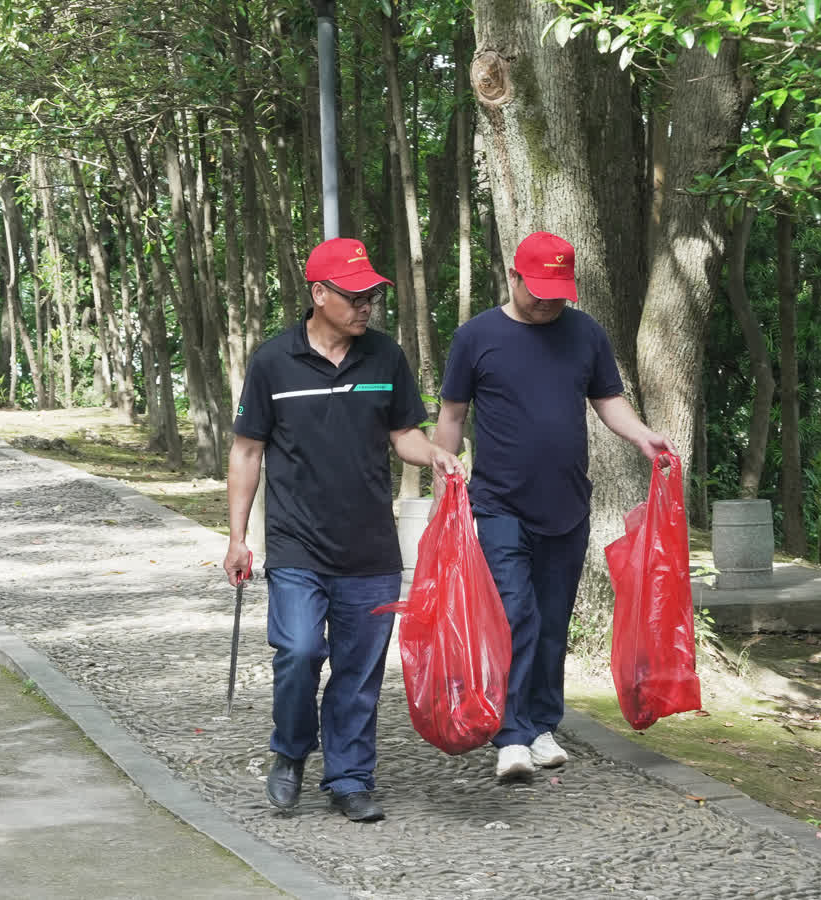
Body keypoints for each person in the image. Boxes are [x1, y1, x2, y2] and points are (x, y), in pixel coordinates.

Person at [224, 237, 455, 823]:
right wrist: (236, 537)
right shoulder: (273, 361)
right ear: (318, 293)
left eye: (372, 295)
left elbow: (404, 435)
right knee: (299, 652)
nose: (366, 305)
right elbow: (247, 451)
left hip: (371, 547)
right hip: (297, 542)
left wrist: (436, 456)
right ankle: (290, 753)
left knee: (358, 672)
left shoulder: (385, 357)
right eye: (354, 295)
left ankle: (350, 777)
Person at [434, 231, 674, 780]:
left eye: (557, 294)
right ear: (512, 276)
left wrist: (641, 436)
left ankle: (542, 724)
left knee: (550, 622)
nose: (547, 303)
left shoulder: (585, 332)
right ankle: (511, 734)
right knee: (514, 612)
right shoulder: (476, 337)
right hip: (498, 503)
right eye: (537, 291)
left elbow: (608, 399)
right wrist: (444, 480)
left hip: (567, 504)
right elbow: (451, 414)